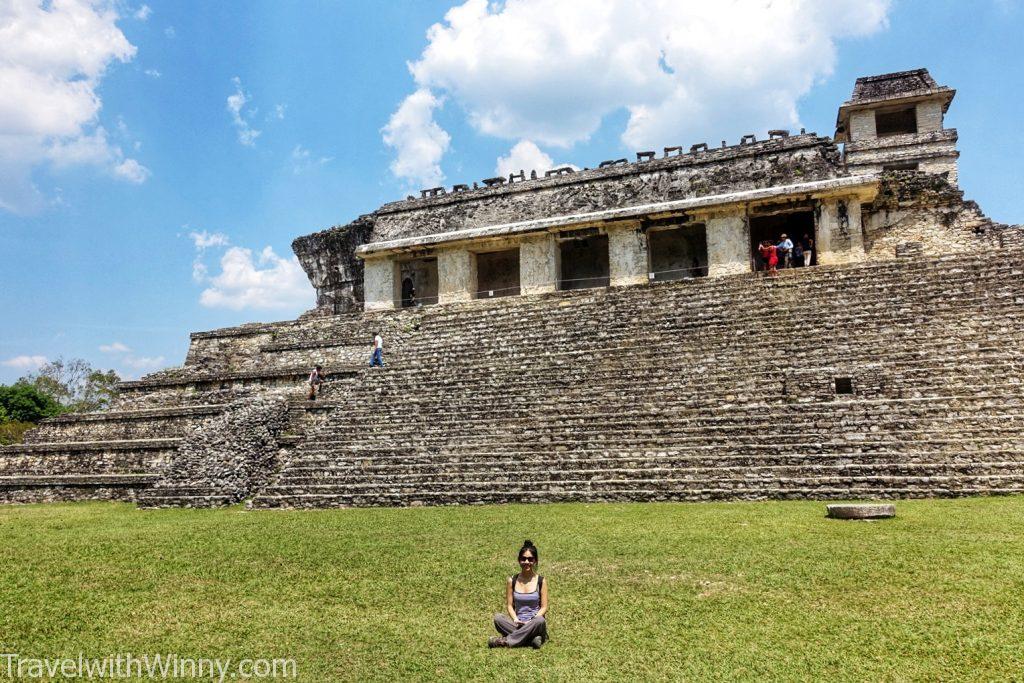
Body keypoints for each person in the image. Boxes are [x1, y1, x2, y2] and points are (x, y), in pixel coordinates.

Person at [489, 540, 549, 649]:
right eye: (523, 559)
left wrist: (531, 620)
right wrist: (516, 619)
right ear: (519, 560)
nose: (527, 562)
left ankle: (506, 641)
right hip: (518, 624)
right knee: (498, 618)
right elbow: (509, 606)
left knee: (540, 620)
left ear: (535, 561)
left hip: (534, 623)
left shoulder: (541, 581)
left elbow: (544, 607)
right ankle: (531, 639)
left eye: (530, 559)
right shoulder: (512, 580)